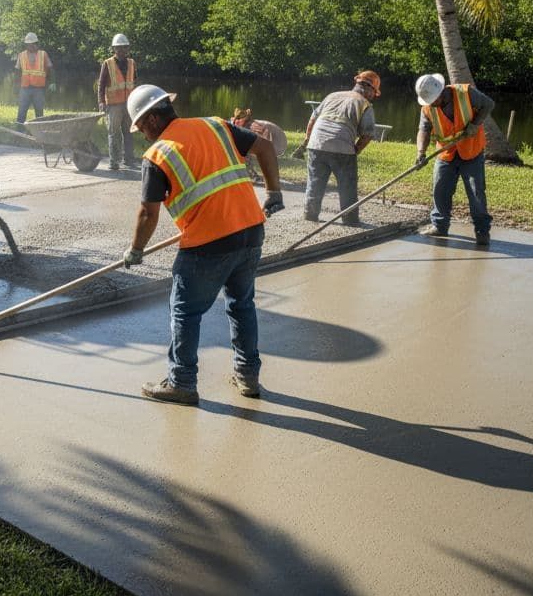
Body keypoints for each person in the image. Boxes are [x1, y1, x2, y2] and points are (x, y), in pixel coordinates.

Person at [122, 84, 284, 405]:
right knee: (241, 304)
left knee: (184, 310)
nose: (142, 135)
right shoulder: (216, 125)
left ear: (153, 119)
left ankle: (181, 381)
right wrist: (273, 192)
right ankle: (248, 376)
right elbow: (265, 147)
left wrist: (136, 249)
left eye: (141, 127)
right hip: (251, 231)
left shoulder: (157, 154)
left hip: (208, 243)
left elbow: (147, 214)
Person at [414, 73, 495, 245]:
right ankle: (439, 226)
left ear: (442, 92)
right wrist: (420, 153)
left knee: (476, 193)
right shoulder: (427, 108)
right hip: (446, 154)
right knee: (440, 190)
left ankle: (482, 230)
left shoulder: (466, 93)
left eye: (433, 100)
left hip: (471, 151)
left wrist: (475, 124)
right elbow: (423, 130)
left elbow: (488, 104)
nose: (431, 104)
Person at [296, 70, 381, 225]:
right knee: (347, 185)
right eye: (374, 92)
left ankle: (310, 215)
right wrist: (355, 150)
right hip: (342, 149)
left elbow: (312, 121)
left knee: (315, 182)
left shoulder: (332, 95)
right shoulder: (365, 104)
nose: (374, 96)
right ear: (370, 89)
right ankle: (350, 221)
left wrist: (309, 141)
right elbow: (368, 134)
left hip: (316, 144)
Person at [97, 33, 137, 170]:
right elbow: (101, 85)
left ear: (127, 48)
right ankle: (114, 162)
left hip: (129, 104)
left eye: (124, 47)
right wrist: (101, 102)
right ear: (114, 49)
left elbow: (134, 82)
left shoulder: (132, 63)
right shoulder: (107, 64)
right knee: (113, 133)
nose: (121, 50)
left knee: (129, 132)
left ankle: (129, 160)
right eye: (118, 48)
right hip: (113, 105)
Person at [231, 108, 288, 182]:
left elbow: (265, 135)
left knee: (245, 152)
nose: (236, 121)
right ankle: (255, 175)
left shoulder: (252, 126)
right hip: (278, 139)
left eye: (238, 119)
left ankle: (254, 175)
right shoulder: (249, 124)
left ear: (243, 119)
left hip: (278, 141)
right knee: (246, 151)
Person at [13, 33, 54, 124]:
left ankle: (39, 132)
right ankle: (19, 131)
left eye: (32, 44)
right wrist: (15, 86)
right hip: (25, 89)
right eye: (28, 44)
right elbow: (17, 71)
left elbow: (50, 68)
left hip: (38, 89)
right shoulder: (21, 55)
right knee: (21, 113)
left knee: (39, 114)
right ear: (26, 45)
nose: (30, 46)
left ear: (36, 44)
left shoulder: (43, 54)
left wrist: (52, 83)